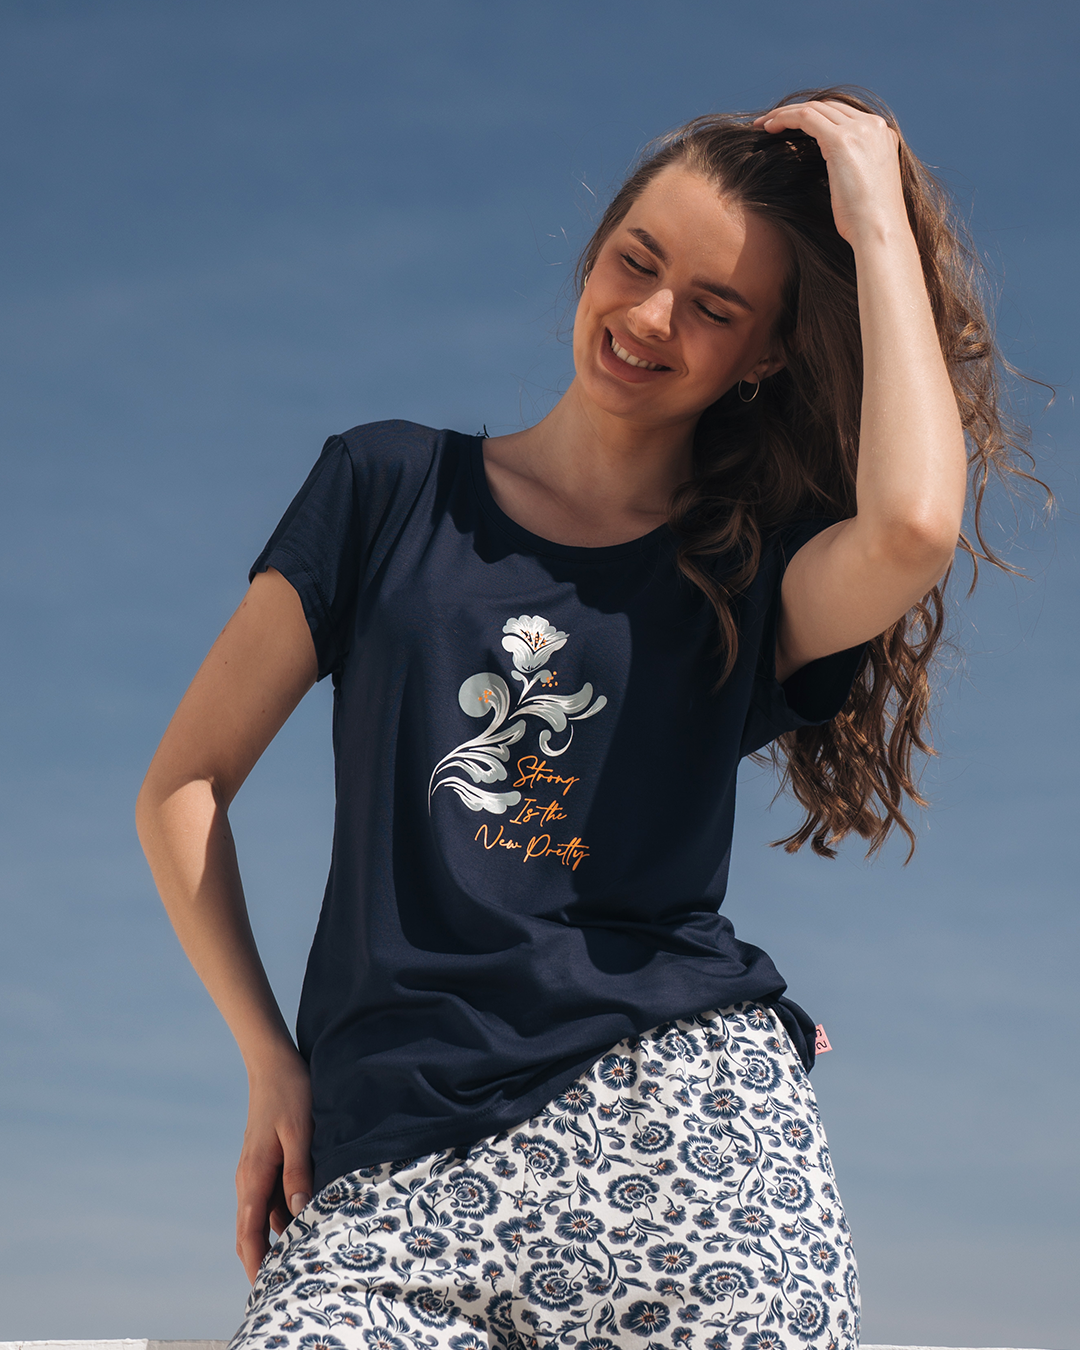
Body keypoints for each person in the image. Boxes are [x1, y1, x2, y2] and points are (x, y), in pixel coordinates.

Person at [136, 88, 1036, 1350]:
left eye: (714, 308)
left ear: (765, 357)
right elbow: (182, 787)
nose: (651, 317)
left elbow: (912, 529)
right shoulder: (387, 488)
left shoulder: (743, 569)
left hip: (681, 1141)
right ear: (595, 249)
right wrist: (267, 1056)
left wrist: (875, 212)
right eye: (637, 261)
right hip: (387, 1169)